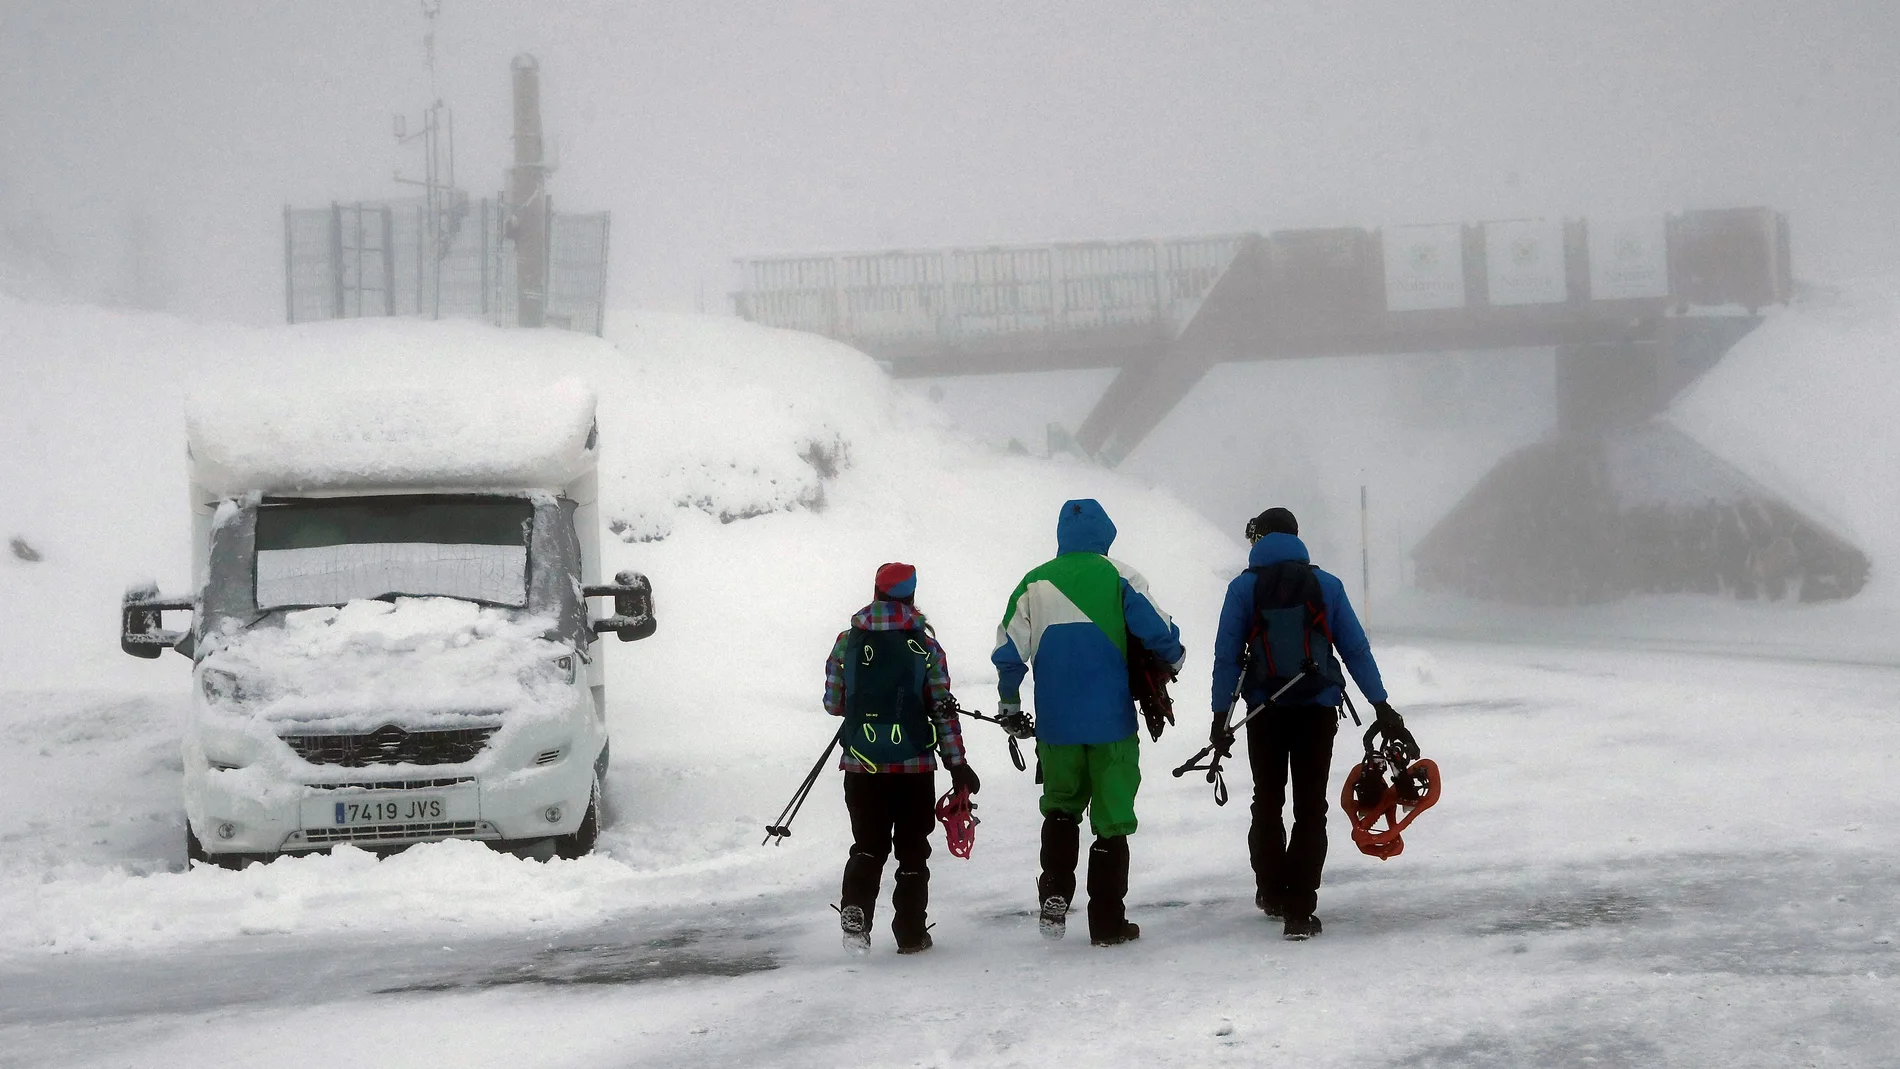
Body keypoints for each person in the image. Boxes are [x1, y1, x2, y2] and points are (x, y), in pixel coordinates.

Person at [1210, 507, 1414, 940]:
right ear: (1296, 537)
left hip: (1264, 712)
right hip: (1316, 711)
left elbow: (1227, 659)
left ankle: (1271, 890)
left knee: (1267, 800)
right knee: (1310, 807)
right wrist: (1381, 705)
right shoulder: (1326, 585)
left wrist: (1219, 718)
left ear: (1259, 539)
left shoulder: (1243, 589)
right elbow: (1355, 649)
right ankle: (1300, 908)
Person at [993, 499, 1185, 946]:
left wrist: (1008, 702)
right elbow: (1159, 632)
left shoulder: (1032, 582)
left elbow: (1009, 651)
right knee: (1112, 819)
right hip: (1111, 723)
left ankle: (1055, 892)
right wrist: (1173, 659)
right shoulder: (1120, 575)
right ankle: (1106, 922)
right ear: (1105, 533)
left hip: (1056, 728)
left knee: (1061, 807)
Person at [824, 562, 980, 955]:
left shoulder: (848, 640)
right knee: (912, 849)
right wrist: (956, 763)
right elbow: (941, 708)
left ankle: (857, 910)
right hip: (914, 766)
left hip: (861, 764)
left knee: (868, 844)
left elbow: (833, 703)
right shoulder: (925, 644)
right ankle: (910, 933)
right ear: (911, 595)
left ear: (876, 591)